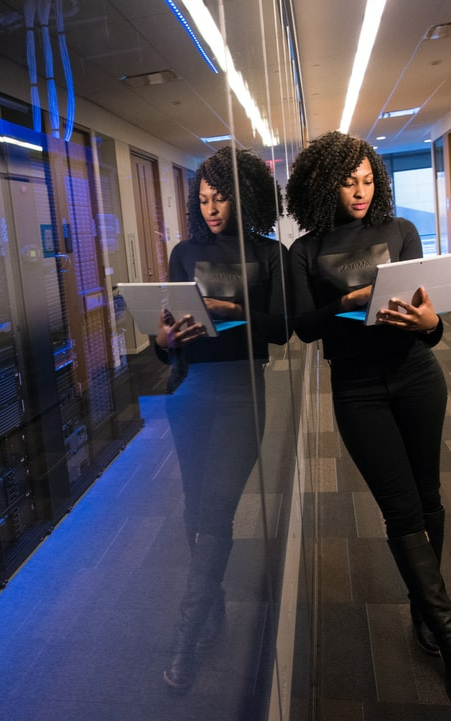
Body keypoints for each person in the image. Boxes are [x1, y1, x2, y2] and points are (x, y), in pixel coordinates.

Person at [285, 131, 451, 704]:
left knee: (429, 497)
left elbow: (430, 317)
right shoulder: (306, 250)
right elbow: (303, 325)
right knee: (400, 511)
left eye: (369, 180)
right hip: (357, 388)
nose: (361, 191)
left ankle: (425, 609)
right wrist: (346, 303)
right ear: (325, 184)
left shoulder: (400, 232)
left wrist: (431, 325)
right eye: (349, 182)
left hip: (417, 375)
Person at [154, 146, 290, 691]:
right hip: (190, 390)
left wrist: (235, 312)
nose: (212, 208)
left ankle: (186, 637)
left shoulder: (268, 253)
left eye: (221, 197)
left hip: (241, 393)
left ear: (244, 195)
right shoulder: (184, 252)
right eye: (204, 199)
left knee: (214, 510)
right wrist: (164, 340)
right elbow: (165, 341)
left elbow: (282, 329)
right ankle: (213, 608)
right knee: (195, 511)